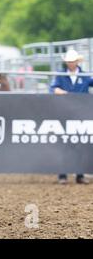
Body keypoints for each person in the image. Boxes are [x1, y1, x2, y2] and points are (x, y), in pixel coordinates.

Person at [50, 48, 93, 184]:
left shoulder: (85, 76)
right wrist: (62, 92)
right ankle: (62, 176)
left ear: (77, 61)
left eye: (72, 61)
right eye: (68, 61)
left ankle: (79, 175)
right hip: (64, 113)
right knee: (64, 143)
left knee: (79, 143)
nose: (70, 64)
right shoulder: (60, 75)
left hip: (80, 114)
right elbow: (53, 88)